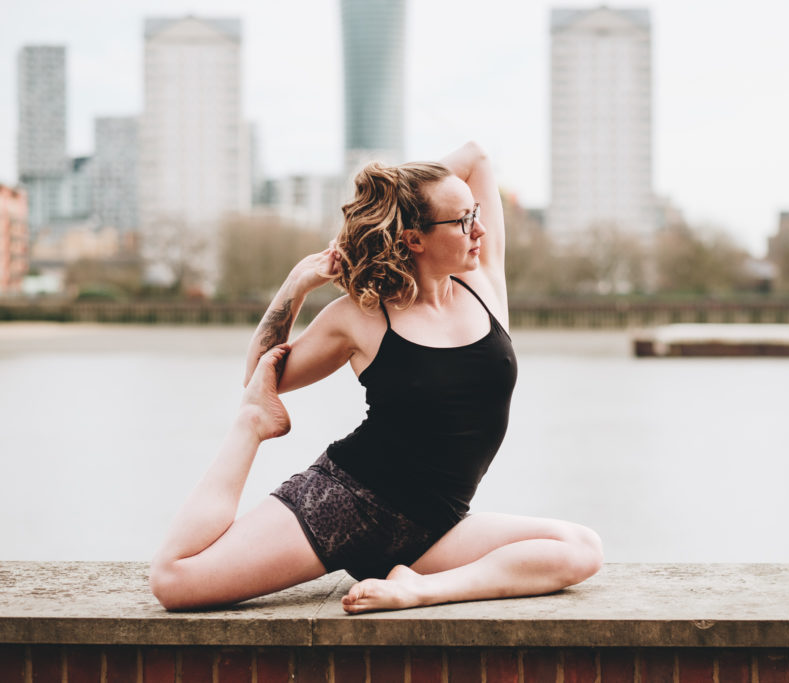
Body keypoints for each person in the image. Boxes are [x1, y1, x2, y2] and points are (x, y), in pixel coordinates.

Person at [149, 142, 603, 613]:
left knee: (581, 548)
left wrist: (392, 203)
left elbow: (475, 157)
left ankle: (415, 589)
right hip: (345, 505)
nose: (480, 229)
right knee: (175, 582)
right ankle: (250, 430)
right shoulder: (362, 317)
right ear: (414, 239)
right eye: (463, 220)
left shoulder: (483, 283)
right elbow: (261, 377)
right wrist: (296, 285)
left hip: (435, 528)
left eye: (477, 213)